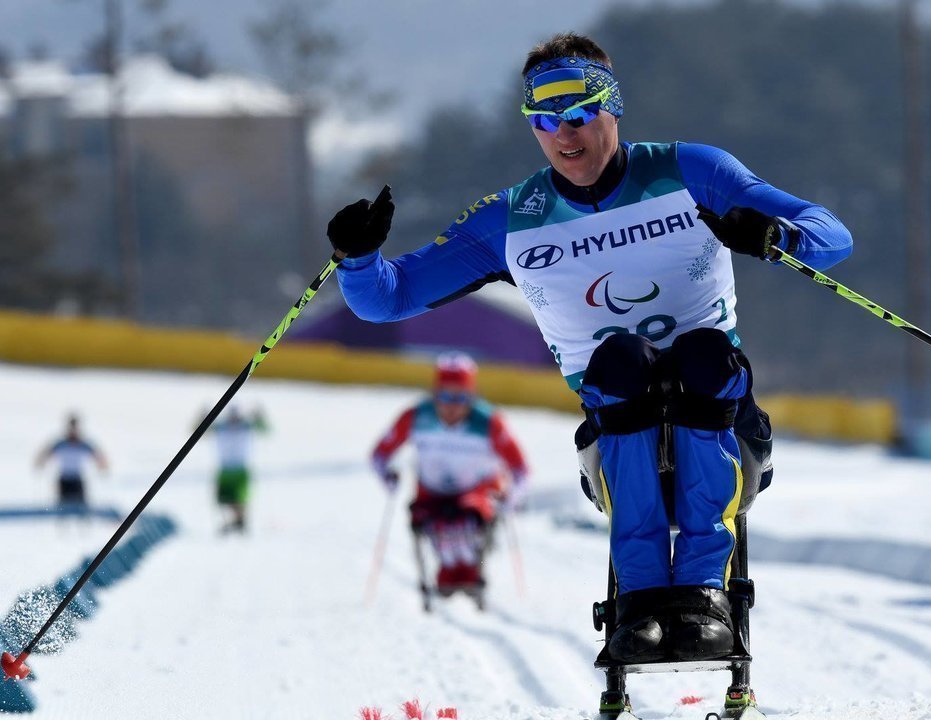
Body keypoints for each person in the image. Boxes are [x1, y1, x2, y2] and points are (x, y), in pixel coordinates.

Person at [328, 33, 852, 662]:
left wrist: (779, 235)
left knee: (703, 354)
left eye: (578, 114)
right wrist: (357, 258)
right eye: (544, 120)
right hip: (614, 422)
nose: (564, 135)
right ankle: (641, 601)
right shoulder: (514, 219)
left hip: (725, 415)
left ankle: (703, 593)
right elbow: (387, 299)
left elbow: (832, 234)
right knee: (622, 363)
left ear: (612, 106)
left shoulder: (693, 171)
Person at [370, 352, 528, 604]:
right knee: (439, 525)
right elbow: (379, 455)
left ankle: (468, 574)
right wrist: (387, 477)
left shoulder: (489, 422)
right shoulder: (415, 417)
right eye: (444, 396)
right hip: (430, 495)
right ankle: (447, 575)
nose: (452, 405)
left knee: (463, 522)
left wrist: (512, 497)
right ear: (435, 393)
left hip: (474, 495)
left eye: (461, 397)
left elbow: (520, 469)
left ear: (471, 396)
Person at [35, 413, 108, 512]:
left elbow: (97, 455)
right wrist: (40, 463)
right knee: (63, 508)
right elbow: (47, 452)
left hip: (77, 480)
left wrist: (102, 466)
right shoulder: (61, 443)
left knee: (82, 508)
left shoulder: (83, 444)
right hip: (64, 480)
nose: (73, 430)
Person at [211, 406, 268, 534]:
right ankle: (238, 521)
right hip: (225, 468)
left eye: (236, 416)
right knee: (225, 499)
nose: (234, 419)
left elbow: (265, 429)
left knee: (240, 498)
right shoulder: (221, 427)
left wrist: (259, 416)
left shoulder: (246, 427)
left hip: (240, 469)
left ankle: (240, 522)